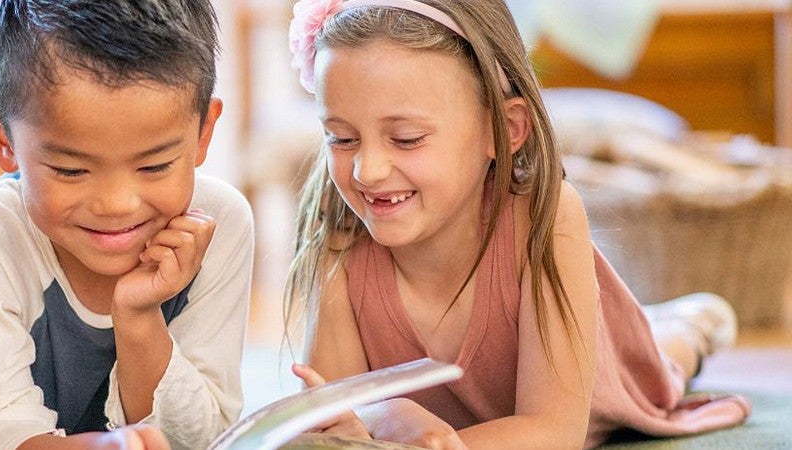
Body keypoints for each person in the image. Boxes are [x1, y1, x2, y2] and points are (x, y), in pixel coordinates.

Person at [282, 0, 751, 448]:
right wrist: (381, 416)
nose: (368, 170)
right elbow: (333, 418)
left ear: (504, 131)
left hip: (608, 371)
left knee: (660, 363)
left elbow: (552, 433)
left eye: (407, 139)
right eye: (341, 137)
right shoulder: (336, 233)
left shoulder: (544, 215)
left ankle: (691, 324)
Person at [0, 1, 254, 449]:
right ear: (2, 140)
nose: (115, 205)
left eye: (155, 166)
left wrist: (139, 317)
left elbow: (200, 439)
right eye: (70, 171)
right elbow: (1, 439)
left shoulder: (217, 224)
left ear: (203, 133)